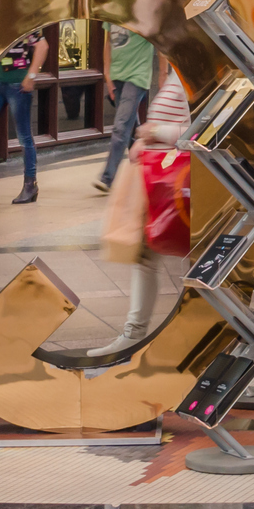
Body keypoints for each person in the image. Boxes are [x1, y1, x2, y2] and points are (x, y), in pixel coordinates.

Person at [91, 66, 194, 353]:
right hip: (163, 183)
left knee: (178, 257)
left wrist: (153, 132)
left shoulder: (194, 71)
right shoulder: (178, 71)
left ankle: (139, 334)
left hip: (177, 184)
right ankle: (135, 333)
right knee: (147, 255)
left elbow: (205, 128)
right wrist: (144, 141)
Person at [0, 28, 47, 204]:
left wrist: (31, 76)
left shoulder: (25, 19)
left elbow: (42, 46)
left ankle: (30, 185)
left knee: (24, 136)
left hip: (18, 84)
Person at [93, 25, 156, 194]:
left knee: (121, 126)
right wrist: (107, 74)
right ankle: (147, 171)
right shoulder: (111, 14)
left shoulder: (139, 12)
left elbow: (159, 39)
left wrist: (163, 74)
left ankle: (107, 178)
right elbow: (108, 43)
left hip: (137, 75)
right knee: (130, 127)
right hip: (117, 75)